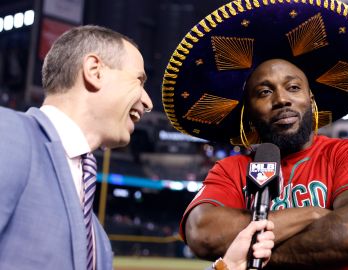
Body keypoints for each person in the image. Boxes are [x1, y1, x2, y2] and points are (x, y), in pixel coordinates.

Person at [0, 24, 274, 270]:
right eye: (139, 81)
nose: (147, 101)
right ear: (95, 71)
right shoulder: (11, 134)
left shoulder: (96, 235)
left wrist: (226, 267)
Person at [161, 0, 348, 269]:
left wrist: (251, 253)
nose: (282, 99)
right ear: (248, 111)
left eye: (294, 87)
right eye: (264, 92)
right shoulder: (231, 170)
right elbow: (203, 235)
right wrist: (312, 214)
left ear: (310, 97)